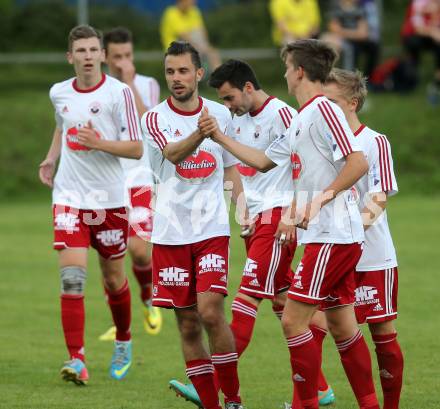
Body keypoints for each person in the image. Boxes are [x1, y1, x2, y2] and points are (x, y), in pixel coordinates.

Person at [200, 39, 380, 409]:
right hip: (324, 234)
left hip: (333, 234)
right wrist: (219, 137)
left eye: (286, 68)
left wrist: (314, 203)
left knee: (293, 322)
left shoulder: (324, 110)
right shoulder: (301, 119)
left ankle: (308, 404)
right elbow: (265, 161)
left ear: (299, 71)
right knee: (343, 328)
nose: (284, 74)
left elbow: (357, 163)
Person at [172, 59, 335, 408]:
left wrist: (291, 214)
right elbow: (233, 170)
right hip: (254, 221)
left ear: (248, 87)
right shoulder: (235, 120)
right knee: (284, 301)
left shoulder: (283, 115)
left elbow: (303, 168)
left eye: (230, 98)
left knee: (246, 300)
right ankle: (321, 386)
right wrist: (240, 206)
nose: (227, 106)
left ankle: (212, 387)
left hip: (277, 222)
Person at [141, 41, 245, 409]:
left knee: (211, 312)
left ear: (199, 73)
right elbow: (172, 154)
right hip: (169, 234)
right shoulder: (154, 118)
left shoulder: (221, 113)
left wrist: (243, 212)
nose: (176, 78)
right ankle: (211, 404)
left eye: (183, 71)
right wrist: (202, 133)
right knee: (187, 324)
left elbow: (231, 166)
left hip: (212, 230)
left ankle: (232, 399)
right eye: (170, 71)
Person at [38, 25, 143, 384]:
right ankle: (77, 359)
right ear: (70, 57)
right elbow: (61, 125)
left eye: (92, 50)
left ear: (101, 55)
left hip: (109, 200)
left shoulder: (120, 94)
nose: (86, 56)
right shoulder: (59, 92)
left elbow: (136, 148)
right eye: (79, 51)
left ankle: (124, 340)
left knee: (114, 279)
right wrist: (51, 158)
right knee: (71, 279)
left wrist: (99, 144)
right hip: (69, 197)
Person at [324, 68, 404, 409]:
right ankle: (310, 395)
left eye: (332, 102)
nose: (324, 109)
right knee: (316, 326)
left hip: (372, 257)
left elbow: (379, 198)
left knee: (382, 335)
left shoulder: (374, 141)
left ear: (352, 102)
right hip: (330, 255)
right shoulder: (322, 141)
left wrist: (351, 235)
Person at [98, 26, 162, 341]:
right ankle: (120, 323)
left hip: (138, 178)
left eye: (128, 55)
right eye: (117, 57)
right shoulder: (97, 90)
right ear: (105, 57)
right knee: (110, 259)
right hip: (104, 182)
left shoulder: (146, 84)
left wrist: (128, 83)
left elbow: (147, 122)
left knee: (139, 250)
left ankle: (149, 298)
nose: (124, 62)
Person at [323, 0, 379, 79]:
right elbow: (333, 27)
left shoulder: (360, 8)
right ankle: (328, 77)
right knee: (330, 43)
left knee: (372, 47)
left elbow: (363, 34)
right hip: (341, 41)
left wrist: (342, 32)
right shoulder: (336, 6)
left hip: (355, 42)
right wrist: (354, 33)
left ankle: (357, 80)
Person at [160, 0, 221, 72]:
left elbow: (201, 30)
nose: (194, 2)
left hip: (193, 48)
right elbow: (183, 35)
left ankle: (218, 79)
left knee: (212, 53)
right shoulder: (171, 13)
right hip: (174, 51)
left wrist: (206, 47)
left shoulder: (194, 11)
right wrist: (200, 48)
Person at [401, 0, 440, 103]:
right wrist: (433, 32)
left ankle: (437, 81)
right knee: (413, 46)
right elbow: (418, 28)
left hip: (429, 35)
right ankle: (411, 82)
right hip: (413, 35)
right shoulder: (419, 3)